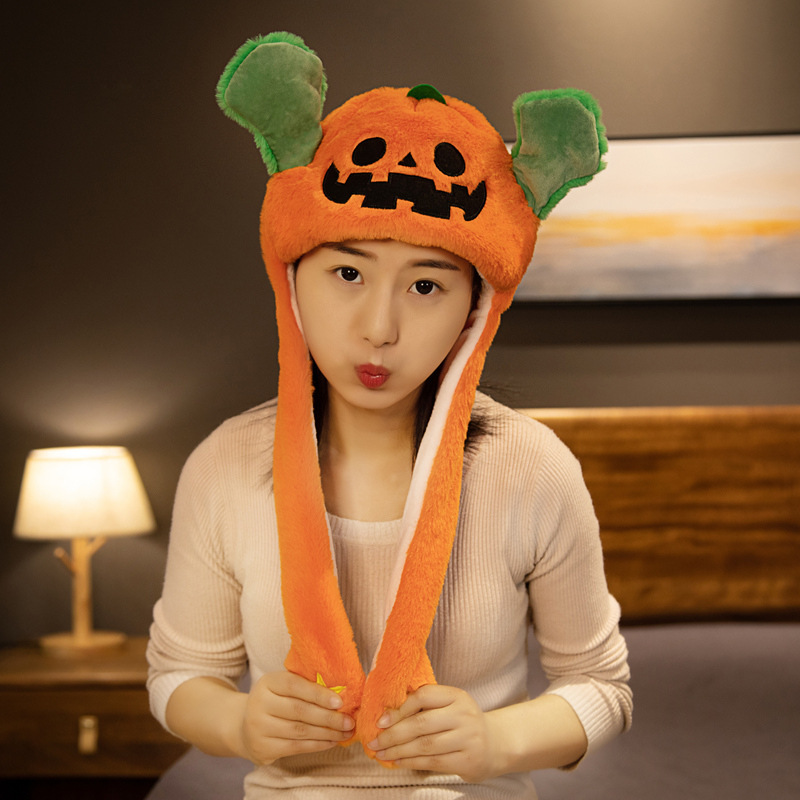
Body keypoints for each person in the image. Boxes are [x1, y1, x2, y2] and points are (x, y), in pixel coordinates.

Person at [147, 32, 632, 799]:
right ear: (292, 276)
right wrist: (239, 723)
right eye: (348, 272)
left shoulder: (532, 467)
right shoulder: (224, 463)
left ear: (475, 306)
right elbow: (179, 676)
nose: (379, 327)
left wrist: (495, 741)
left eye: (426, 286)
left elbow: (602, 688)